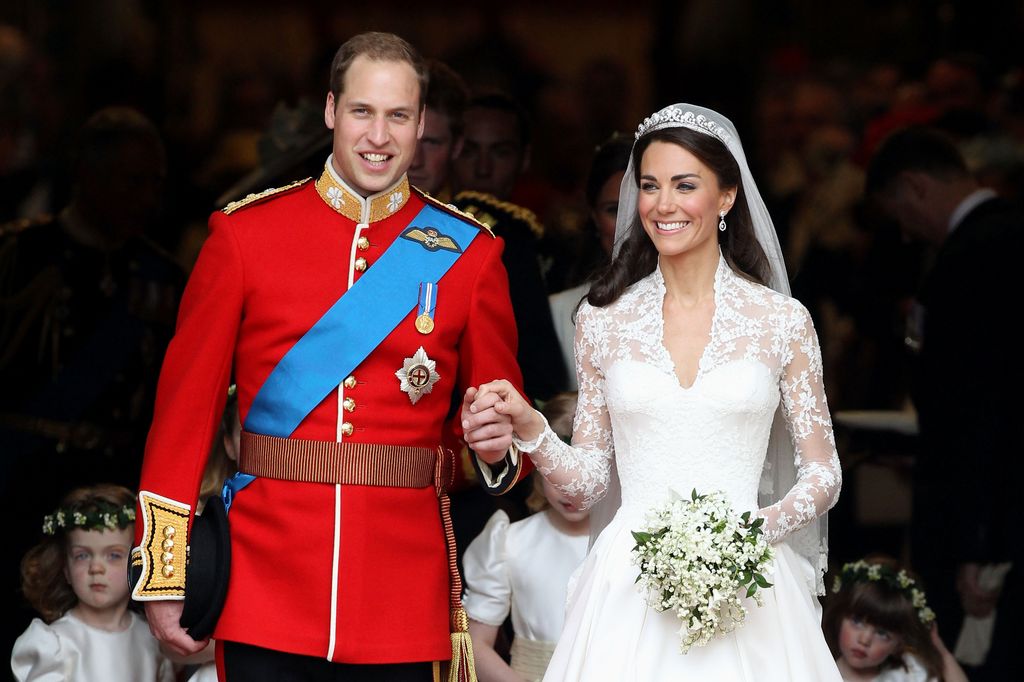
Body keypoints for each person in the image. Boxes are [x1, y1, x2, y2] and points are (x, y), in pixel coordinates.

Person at [132, 32, 527, 681]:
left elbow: (504, 439)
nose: (379, 135)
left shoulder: (471, 256)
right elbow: (184, 415)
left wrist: (495, 447)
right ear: (329, 112)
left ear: (423, 123)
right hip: (264, 587)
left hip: (402, 596)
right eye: (362, 112)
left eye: (398, 115)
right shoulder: (243, 237)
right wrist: (166, 572)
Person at [462, 103, 843, 680]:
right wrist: (534, 429)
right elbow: (589, 481)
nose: (663, 205)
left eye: (684, 185)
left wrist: (744, 537)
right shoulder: (603, 318)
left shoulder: (781, 320)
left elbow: (823, 474)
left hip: (748, 581)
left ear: (726, 197)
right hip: (628, 585)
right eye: (649, 186)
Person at [0, 106, 183, 656]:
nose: (146, 198)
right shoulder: (18, 256)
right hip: (24, 475)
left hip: (119, 478)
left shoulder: (163, 275)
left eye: (154, 183)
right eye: (132, 181)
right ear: (87, 174)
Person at [866, 127, 1022, 680]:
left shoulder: (979, 253)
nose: (906, 233)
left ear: (915, 186)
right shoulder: (992, 241)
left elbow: (990, 406)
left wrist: (981, 545)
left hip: (984, 517)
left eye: (900, 214)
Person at [463, 392, 589, 682]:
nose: (567, 488)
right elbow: (476, 643)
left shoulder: (624, 543)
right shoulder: (509, 541)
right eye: (554, 472)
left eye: (578, 475)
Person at [12, 484, 176, 682]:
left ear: (137, 563)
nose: (96, 568)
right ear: (66, 569)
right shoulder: (55, 644)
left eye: (114, 555)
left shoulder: (151, 640)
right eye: (82, 556)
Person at [548, 133, 632, 390]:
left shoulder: (697, 304)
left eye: (638, 206)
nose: (628, 225)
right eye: (614, 210)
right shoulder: (559, 311)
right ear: (594, 217)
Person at [824, 557, 969, 682]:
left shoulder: (909, 673)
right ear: (840, 619)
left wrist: (941, 652)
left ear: (898, 644)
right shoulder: (819, 672)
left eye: (882, 633)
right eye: (856, 622)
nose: (865, 639)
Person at [407, 59, 469, 201]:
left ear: (456, 147)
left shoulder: (476, 222)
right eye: (406, 140)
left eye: (431, 143)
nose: (415, 162)